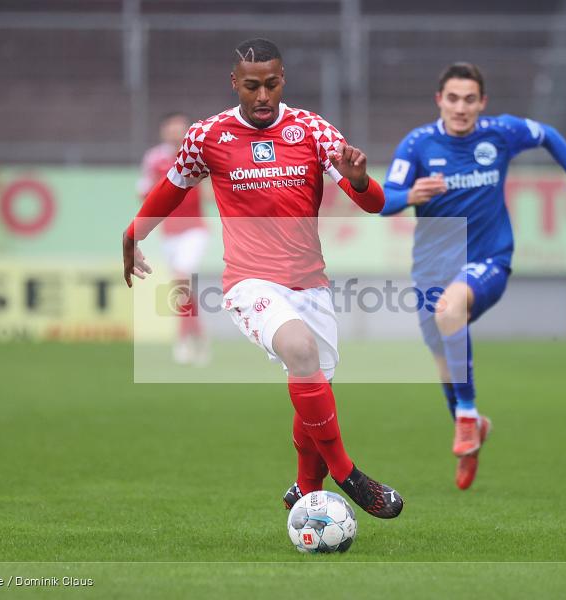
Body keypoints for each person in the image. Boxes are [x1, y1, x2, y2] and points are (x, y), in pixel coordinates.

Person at [122, 38, 403, 519]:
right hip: (249, 282)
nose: (262, 96)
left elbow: (374, 204)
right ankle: (347, 473)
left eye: (271, 85)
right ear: (235, 83)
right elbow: (170, 189)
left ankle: (306, 488)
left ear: (282, 80)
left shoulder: (313, 130)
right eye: (251, 86)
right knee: (301, 352)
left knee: (312, 383)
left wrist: (359, 180)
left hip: (310, 283)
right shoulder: (207, 136)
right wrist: (133, 234)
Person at [381, 62, 566, 490]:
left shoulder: (500, 132)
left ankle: (467, 416)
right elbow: (383, 200)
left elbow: (549, 136)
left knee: (450, 311)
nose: (461, 107)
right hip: (432, 267)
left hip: (490, 257)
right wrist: (410, 194)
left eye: (470, 99)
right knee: (444, 361)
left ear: (482, 102)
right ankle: (471, 428)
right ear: (440, 101)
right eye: (453, 98)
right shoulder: (417, 144)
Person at [137, 112, 209, 365]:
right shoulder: (154, 159)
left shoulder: (198, 155)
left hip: (195, 230)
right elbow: (144, 193)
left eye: (181, 128)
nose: (176, 132)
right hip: (169, 233)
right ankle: (198, 336)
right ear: (163, 130)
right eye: (172, 128)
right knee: (182, 287)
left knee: (181, 279)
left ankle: (183, 340)